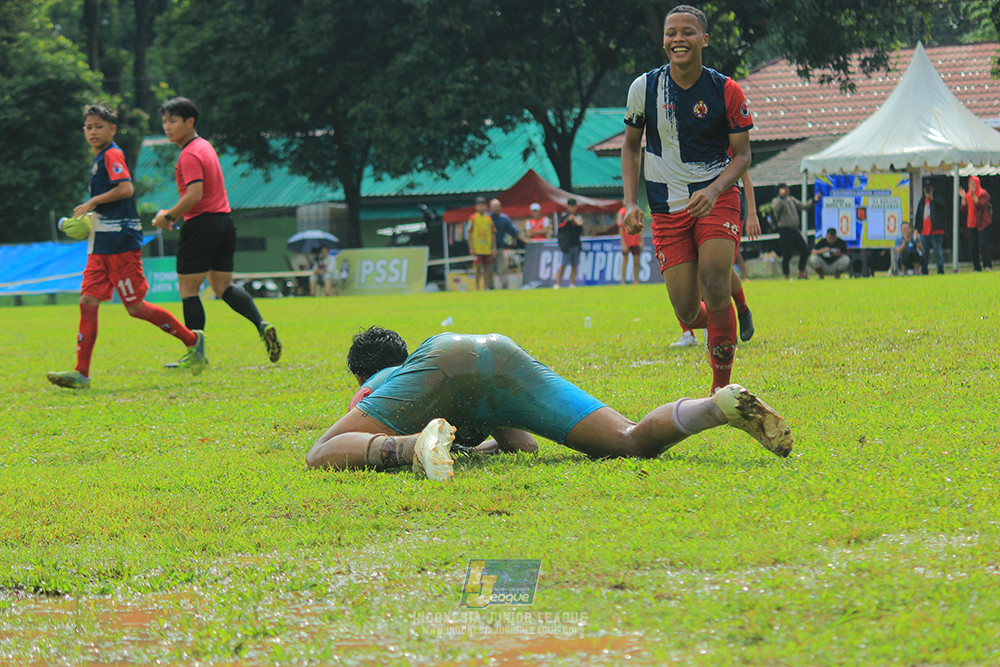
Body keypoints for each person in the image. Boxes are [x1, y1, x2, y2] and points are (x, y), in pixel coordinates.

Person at [305, 327, 793, 477]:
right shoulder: (415, 373)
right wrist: (469, 450)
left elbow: (338, 444)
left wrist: (415, 443)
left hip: (445, 359)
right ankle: (716, 408)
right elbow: (522, 448)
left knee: (318, 454)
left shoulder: (380, 385)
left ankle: (412, 447)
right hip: (499, 353)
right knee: (627, 441)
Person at [621, 5, 754, 392]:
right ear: (663, 40)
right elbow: (630, 148)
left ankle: (721, 391)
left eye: (688, 32)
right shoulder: (643, 88)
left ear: (705, 40)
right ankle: (736, 310)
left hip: (717, 198)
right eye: (671, 33)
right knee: (685, 308)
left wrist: (714, 190)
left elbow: (743, 155)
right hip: (665, 208)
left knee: (714, 281)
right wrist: (631, 202)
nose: (679, 39)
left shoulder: (725, 90)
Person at [47, 105, 207, 390]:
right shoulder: (98, 158)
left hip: (121, 242)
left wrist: (93, 203)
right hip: (101, 243)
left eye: (99, 126)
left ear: (112, 130)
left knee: (135, 308)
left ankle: (193, 341)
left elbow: (126, 188)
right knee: (87, 302)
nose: (93, 132)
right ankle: (81, 373)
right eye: (88, 127)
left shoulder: (112, 154)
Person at [152, 97, 281, 366]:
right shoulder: (206, 146)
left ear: (190, 121)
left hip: (201, 224)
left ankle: (195, 353)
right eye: (164, 121)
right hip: (224, 222)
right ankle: (261, 324)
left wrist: (169, 216)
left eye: (173, 121)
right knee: (222, 286)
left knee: (188, 290)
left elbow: (195, 194)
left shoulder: (189, 153)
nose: (167, 127)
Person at [671, 173, 758, 347]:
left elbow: (745, 175)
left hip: (725, 205)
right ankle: (690, 332)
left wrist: (753, 214)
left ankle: (740, 309)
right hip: (686, 203)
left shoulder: (726, 147)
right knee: (683, 268)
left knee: (718, 271)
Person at [771, 182, 819, 280]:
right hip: (785, 230)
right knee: (787, 253)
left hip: (795, 230)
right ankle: (786, 276)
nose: (787, 190)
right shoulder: (776, 201)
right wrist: (781, 197)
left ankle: (801, 273)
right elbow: (776, 210)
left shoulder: (791, 199)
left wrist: (814, 200)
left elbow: (803, 206)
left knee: (805, 251)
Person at [489, 198, 527, 289]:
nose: (497, 208)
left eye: (498, 206)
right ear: (490, 208)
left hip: (500, 248)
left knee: (503, 268)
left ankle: (504, 287)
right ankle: (490, 287)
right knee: (489, 269)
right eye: (494, 207)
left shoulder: (504, 218)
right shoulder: (487, 219)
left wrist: (525, 240)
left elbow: (513, 231)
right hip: (487, 249)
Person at [959, 176, 992, 272]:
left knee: (983, 245)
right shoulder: (968, 195)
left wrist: (974, 196)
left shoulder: (983, 194)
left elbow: (981, 205)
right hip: (971, 223)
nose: (972, 186)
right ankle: (976, 267)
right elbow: (963, 209)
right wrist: (963, 197)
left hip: (983, 223)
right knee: (973, 246)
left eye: (974, 184)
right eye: (970, 184)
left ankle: (987, 266)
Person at [914, 182, 947, 275]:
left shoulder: (938, 198)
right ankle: (924, 270)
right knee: (924, 252)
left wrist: (932, 199)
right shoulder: (922, 201)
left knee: (938, 251)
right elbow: (918, 216)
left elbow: (942, 206)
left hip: (936, 230)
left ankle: (940, 269)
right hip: (924, 231)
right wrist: (916, 229)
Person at [466, 196, 495, 290]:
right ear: (476, 207)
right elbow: (469, 233)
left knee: (487, 268)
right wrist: (471, 247)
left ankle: (485, 287)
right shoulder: (472, 218)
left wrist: (493, 247)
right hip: (477, 248)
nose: (481, 207)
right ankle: (477, 287)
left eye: (483, 205)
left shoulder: (489, 219)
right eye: (479, 205)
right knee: (478, 268)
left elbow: (493, 233)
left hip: (487, 248)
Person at [554, 198, 584, 288]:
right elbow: (560, 228)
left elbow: (581, 228)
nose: (572, 208)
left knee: (574, 264)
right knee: (563, 264)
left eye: (574, 206)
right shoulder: (564, 216)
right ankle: (558, 283)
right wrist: (568, 221)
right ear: (567, 207)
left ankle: (572, 283)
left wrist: (576, 221)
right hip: (566, 245)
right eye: (570, 206)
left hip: (575, 243)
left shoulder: (578, 216)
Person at [617, 205, 643, 285]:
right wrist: (623, 243)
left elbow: (640, 226)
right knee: (625, 261)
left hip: (635, 240)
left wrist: (641, 240)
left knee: (636, 261)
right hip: (627, 241)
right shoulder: (621, 212)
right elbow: (620, 228)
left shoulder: (636, 211)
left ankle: (636, 281)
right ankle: (623, 281)